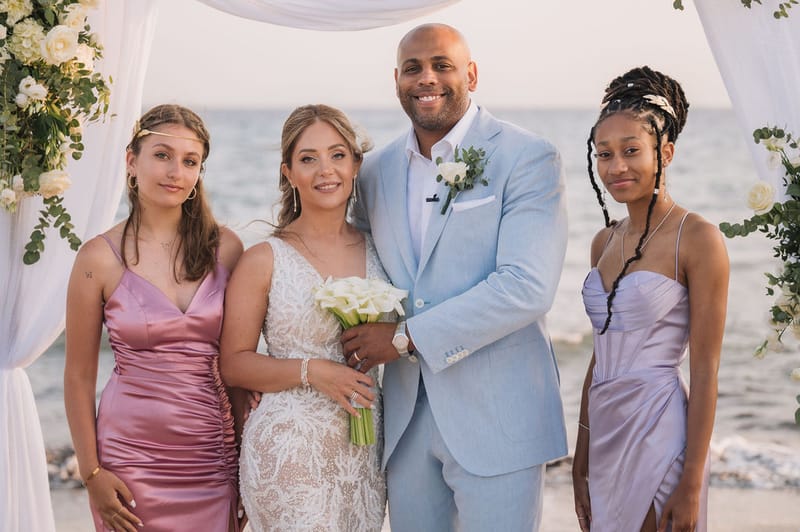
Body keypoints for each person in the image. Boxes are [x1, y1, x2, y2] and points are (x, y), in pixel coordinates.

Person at [344, 23, 569, 531]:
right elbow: (355, 263)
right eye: (412, 68)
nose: (427, 78)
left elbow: (527, 286)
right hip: (404, 422)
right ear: (396, 80)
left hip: (499, 417)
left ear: (471, 73)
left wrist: (403, 338)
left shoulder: (526, 157)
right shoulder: (374, 171)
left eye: (442, 65)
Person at [64, 104, 244, 532]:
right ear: (132, 161)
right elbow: (77, 377)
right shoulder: (97, 258)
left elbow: (239, 368)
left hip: (212, 456)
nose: (175, 172)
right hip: (128, 459)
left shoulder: (228, 250)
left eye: (190, 161)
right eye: (161, 155)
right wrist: (91, 473)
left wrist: (246, 466)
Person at [572, 66, 729, 532]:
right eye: (604, 154)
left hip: (658, 425)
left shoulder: (697, 239)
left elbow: (705, 371)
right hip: (604, 432)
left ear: (666, 152)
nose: (616, 166)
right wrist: (580, 459)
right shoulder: (603, 242)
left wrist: (693, 481)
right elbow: (599, 358)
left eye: (631, 151)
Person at [218, 104, 387, 531]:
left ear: (356, 165)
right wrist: (316, 372)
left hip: (364, 454)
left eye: (337, 155)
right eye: (308, 159)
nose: (324, 170)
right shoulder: (264, 259)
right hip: (288, 450)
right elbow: (234, 362)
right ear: (289, 173)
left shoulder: (383, 251)